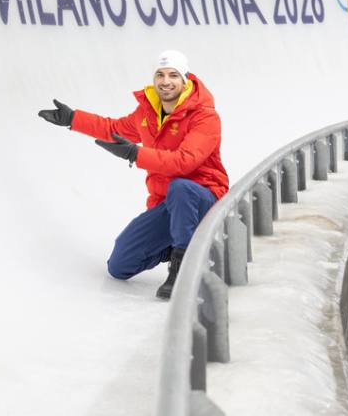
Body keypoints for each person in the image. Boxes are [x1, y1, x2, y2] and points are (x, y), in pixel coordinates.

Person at [38, 50, 229, 299]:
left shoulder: (205, 116)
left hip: (203, 199)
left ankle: (183, 267)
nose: (166, 81)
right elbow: (114, 128)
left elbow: (184, 162)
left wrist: (135, 154)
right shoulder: (147, 113)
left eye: (173, 75)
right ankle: (173, 243)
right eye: (160, 75)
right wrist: (73, 119)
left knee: (181, 187)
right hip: (168, 206)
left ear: (185, 80)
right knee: (119, 265)